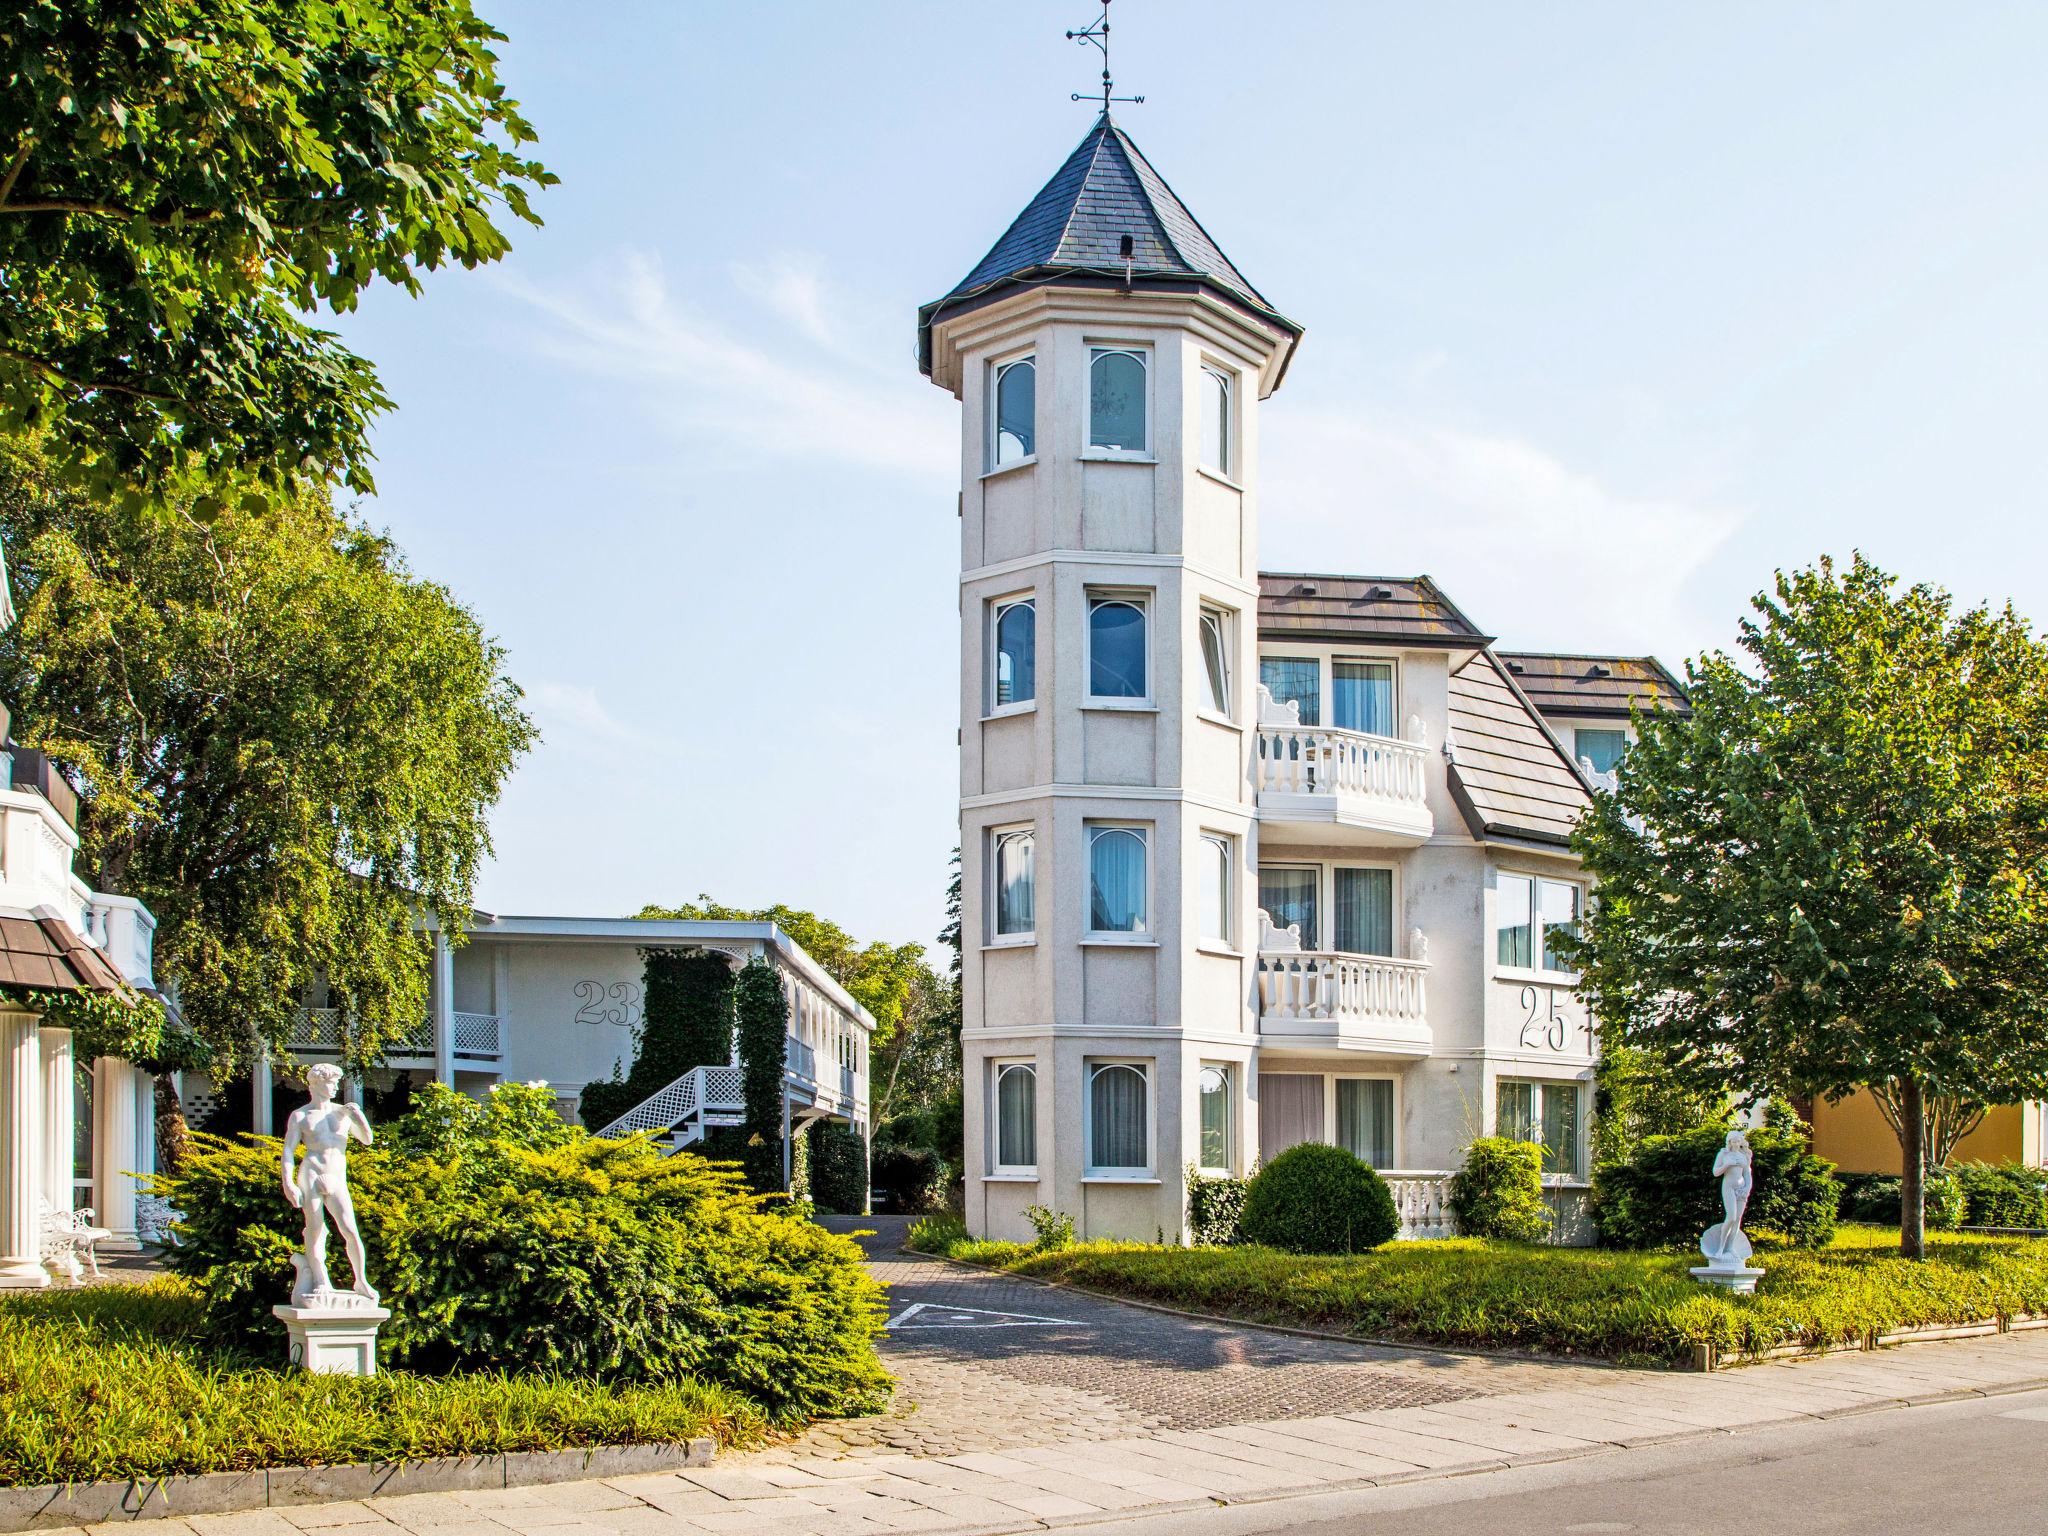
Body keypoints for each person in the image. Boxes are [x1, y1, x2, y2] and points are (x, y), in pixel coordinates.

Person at [279, 1064, 378, 1303]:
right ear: (316, 1084)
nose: (335, 1087)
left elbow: (367, 1140)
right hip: (311, 1173)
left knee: (350, 1230)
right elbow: (288, 1152)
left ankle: (360, 1280)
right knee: (316, 1229)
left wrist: (359, 1117)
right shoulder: (301, 1115)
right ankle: (321, 1279)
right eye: (331, 1082)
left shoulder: (341, 1112)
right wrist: (288, 1183)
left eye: (336, 1082)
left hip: (336, 1176)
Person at [1701, 1128, 1755, 1267]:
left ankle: (1730, 1247)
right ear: (1729, 1142)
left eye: (1738, 1141)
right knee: (1730, 1217)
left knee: (1737, 1220)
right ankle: (1720, 1248)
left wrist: (1747, 1189)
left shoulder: (1744, 1155)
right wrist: (1726, 1165)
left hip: (1741, 1189)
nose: (1736, 1144)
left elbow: (1748, 1175)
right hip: (1729, 1187)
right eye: (1733, 1141)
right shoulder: (1724, 1154)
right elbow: (1715, 1172)